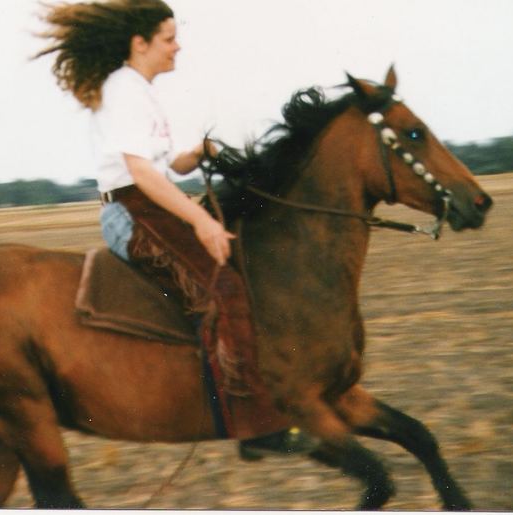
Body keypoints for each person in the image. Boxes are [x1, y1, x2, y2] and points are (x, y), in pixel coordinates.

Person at [35, 0, 309, 458]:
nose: (177, 46)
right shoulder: (124, 89)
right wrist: (201, 220)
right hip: (133, 212)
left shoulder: (137, 90)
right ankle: (254, 425)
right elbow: (140, 174)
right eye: (168, 38)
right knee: (224, 288)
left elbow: (161, 166)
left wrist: (195, 153)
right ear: (139, 43)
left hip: (145, 205)